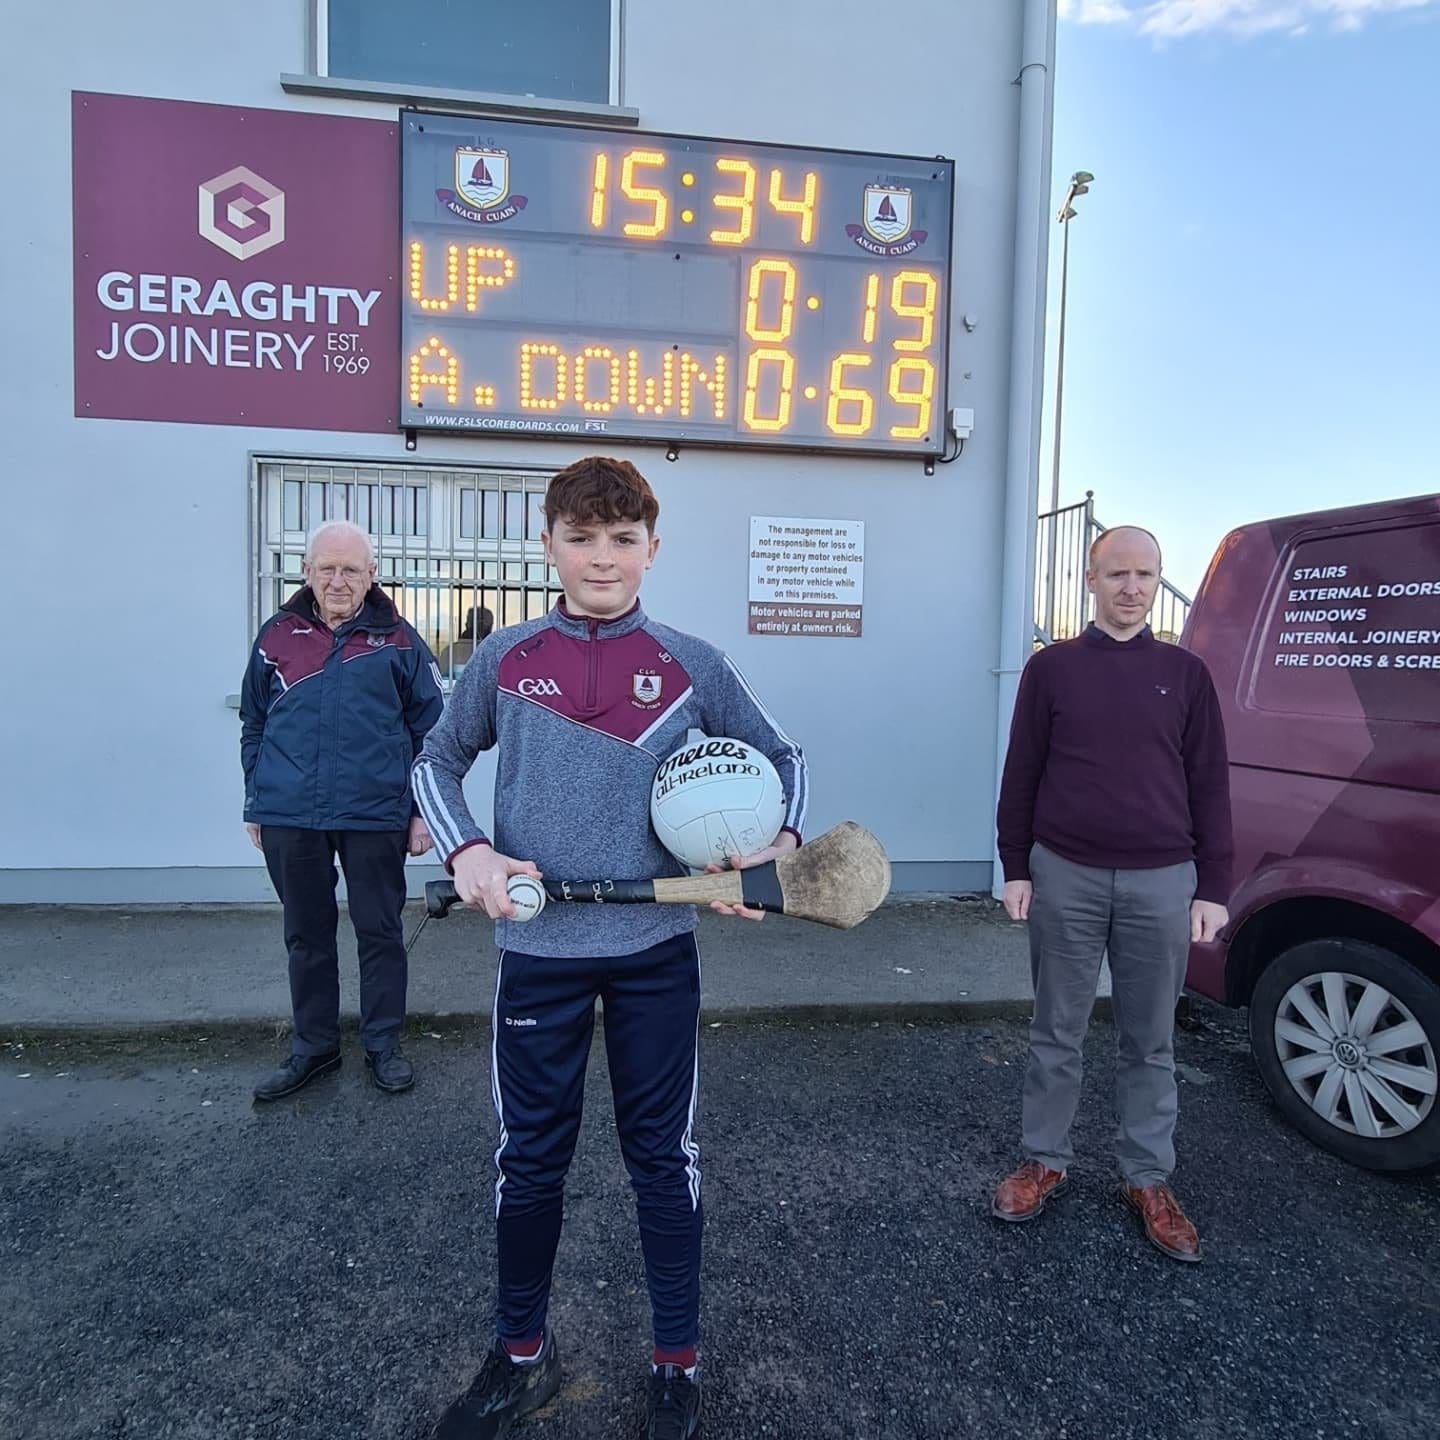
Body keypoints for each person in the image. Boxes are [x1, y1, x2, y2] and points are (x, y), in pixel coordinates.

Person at [412, 456, 807, 1440]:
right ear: (548, 545)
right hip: (537, 950)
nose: (601, 558)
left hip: (655, 948)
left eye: (621, 539)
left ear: (652, 551)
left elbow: (785, 757)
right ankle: (519, 1361)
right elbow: (435, 760)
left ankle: (677, 1363)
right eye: (580, 538)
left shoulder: (691, 662)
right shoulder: (505, 659)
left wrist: (774, 848)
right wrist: (467, 849)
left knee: (661, 1159)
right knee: (530, 1158)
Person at [991, 526, 1232, 1263]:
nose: (1132, 587)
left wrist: (1214, 885)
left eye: (1146, 574)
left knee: (1149, 1038)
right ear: (1090, 579)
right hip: (1066, 872)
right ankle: (1044, 1159)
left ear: (1158, 581)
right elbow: (1022, 772)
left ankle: (1147, 1176)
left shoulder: (1186, 675)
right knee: (1055, 1029)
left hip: (1163, 880)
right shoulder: (1051, 670)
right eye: (1117, 573)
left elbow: (1209, 785)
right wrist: (1016, 867)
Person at [240, 519, 444, 1102]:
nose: (338, 580)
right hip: (289, 813)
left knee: (379, 932)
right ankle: (315, 1048)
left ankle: (383, 1045)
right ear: (306, 572)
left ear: (372, 575)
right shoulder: (276, 635)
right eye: (326, 567)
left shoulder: (400, 640)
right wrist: (257, 797)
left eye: (351, 569)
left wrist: (421, 811)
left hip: (374, 813)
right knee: (306, 934)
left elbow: (432, 731)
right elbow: (254, 721)